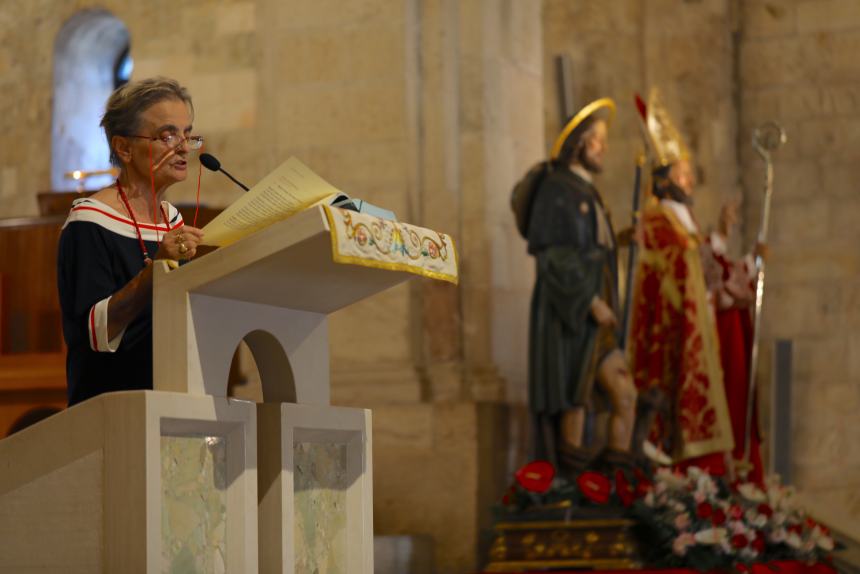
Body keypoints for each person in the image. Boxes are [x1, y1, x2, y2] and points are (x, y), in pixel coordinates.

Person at [57, 77, 205, 406]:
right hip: (113, 407)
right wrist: (155, 273)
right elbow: (92, 333)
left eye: (187, 134)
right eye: (168, 135)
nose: (183, 148)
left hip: (178, 398)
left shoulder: (174, 221)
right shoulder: (90, 222)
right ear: (124, 148)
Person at [526, 98, 637, 477]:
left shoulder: (588, 191)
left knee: (625, 395)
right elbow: (554, 255)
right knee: (575, 401)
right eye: (597, 141)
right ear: (578, 145)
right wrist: (589, 302)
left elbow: (590, 245)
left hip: (599, 316)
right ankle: (570, 491)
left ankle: (615, 489)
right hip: (571, 316)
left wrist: (621, 238)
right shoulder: (557, 189)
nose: (604, 148)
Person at [628, 88, 734, 476]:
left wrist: (719, 238)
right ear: (664, 178)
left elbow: (697, 257)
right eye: (682, 173)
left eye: (689, 173)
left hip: (695, 321)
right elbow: (678, 261)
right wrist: (703, 251)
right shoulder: (656, 218)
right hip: (668, 327)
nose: (690, 180)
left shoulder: (681, 219)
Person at [703, 200, 765, 483]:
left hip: (732, 335)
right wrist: (753, 263)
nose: (732, 219)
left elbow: (731, 276)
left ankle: (739, 460)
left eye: (733, 215)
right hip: (719, 338)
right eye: (726, 214)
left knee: (736, 397)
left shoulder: (720, 258)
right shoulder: (707, 254)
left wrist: (753, 262)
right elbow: (726, 287)